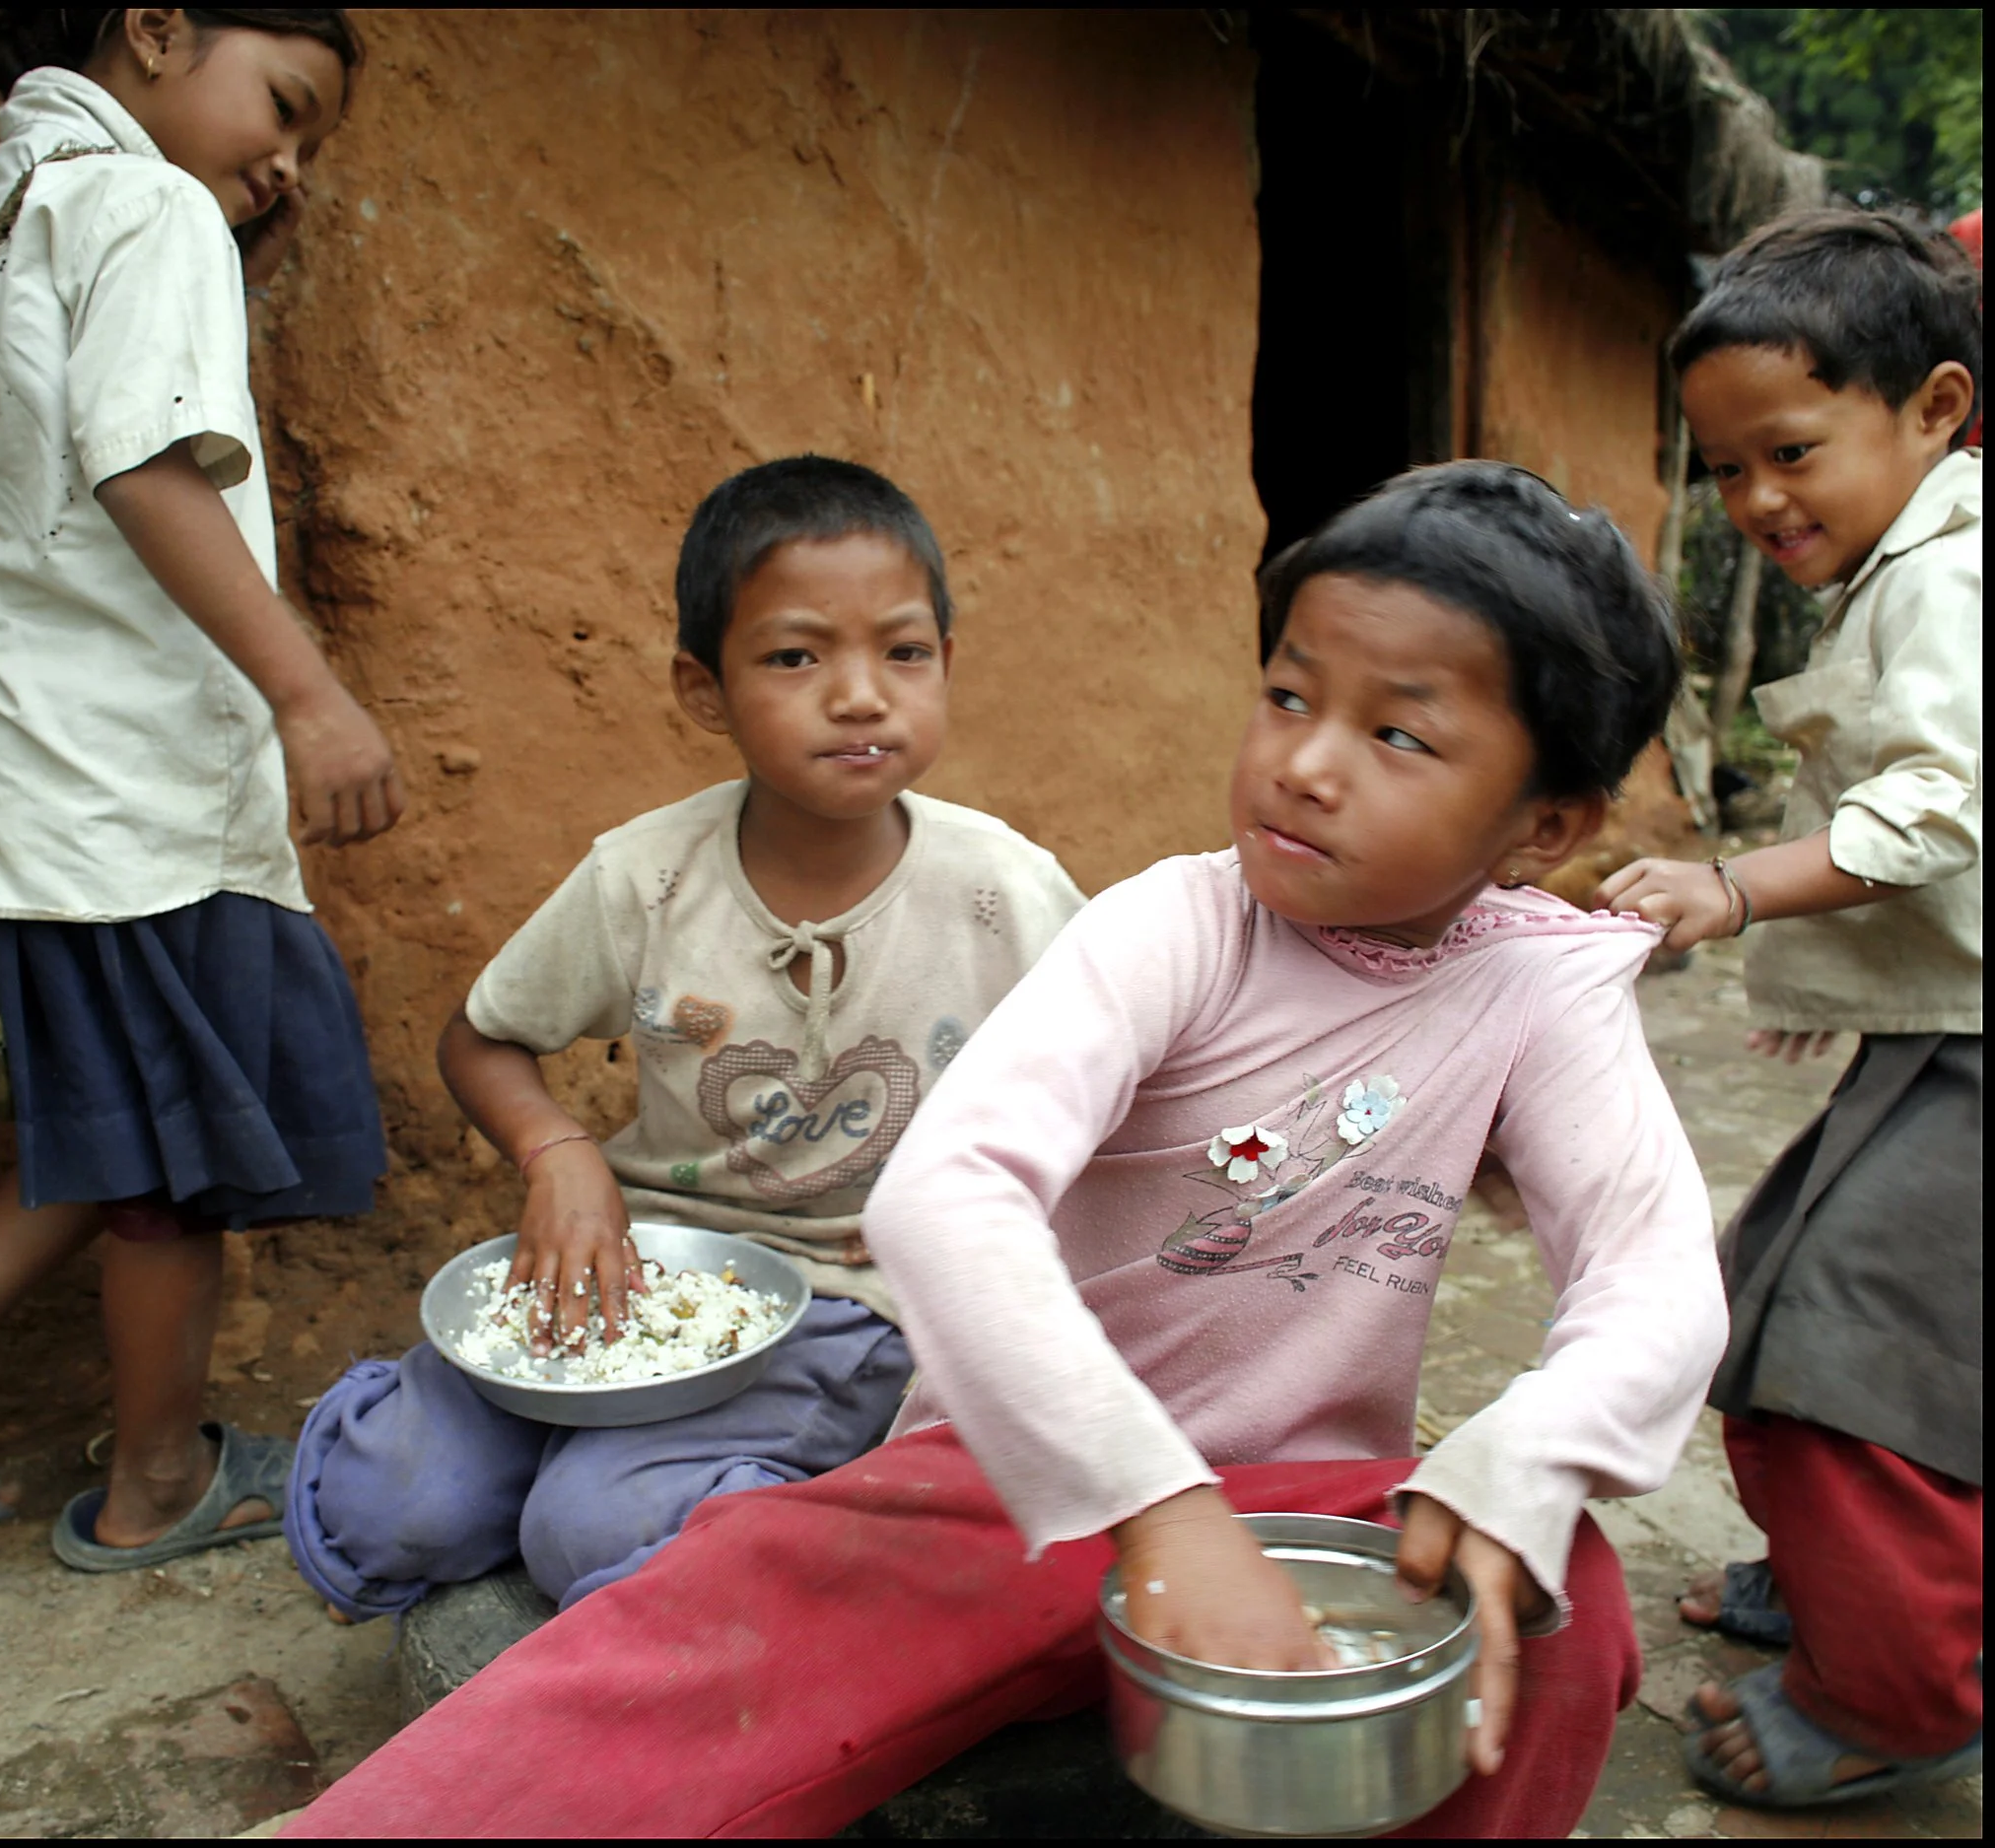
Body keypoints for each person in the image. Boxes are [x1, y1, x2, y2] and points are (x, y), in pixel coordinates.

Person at [280, 460, 1726, 1840]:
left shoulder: (1546, 987)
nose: (1304, 763)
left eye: (1397, 733)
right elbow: (950, 1194)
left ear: (1547, 823)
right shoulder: (1176, 926)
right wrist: (1158, 1508)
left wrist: (1519, 1461)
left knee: (1560, 1594)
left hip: (1308, 1498)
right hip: (1008, 1481)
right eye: (1288, 694)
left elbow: (1657, 1284)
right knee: (718, 1608)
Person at [0, 7, 404, 1572]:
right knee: (172, 1162)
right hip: (130, 787)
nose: (285, 161)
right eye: (287, 103)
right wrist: (309, 693)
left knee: (135, 1127)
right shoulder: (145, 204)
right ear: (160, 26)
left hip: (36, 774)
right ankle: (154, 1483)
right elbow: (140, 460)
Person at [282, 455, 1087, 1622]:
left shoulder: (1004, 891)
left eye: (903, 652)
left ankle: (737, 1499)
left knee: (589, 1532)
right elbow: (481, 1040)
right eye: (796, 657)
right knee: (393, 1506)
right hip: (641, 1268)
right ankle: (589, 1467)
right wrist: (558, 1157)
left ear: (945, 666)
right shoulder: (645, 879)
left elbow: (1129, 1090)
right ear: (703, 690)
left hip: (855, 1294)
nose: (860, 695)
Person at [1595, 208, 1982, 1811]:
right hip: (1938, 1039)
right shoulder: (1899, 565)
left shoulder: (1951, 581)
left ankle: (1899, 1688)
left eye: (1791, 451)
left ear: (1938, 411)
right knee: (1765, 1285)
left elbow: (1947, 804)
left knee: (1846, 1355)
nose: (1755, 499)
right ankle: (1841, 1582)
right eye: (1727, 468)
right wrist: (1838, 982)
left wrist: (1737, 886)